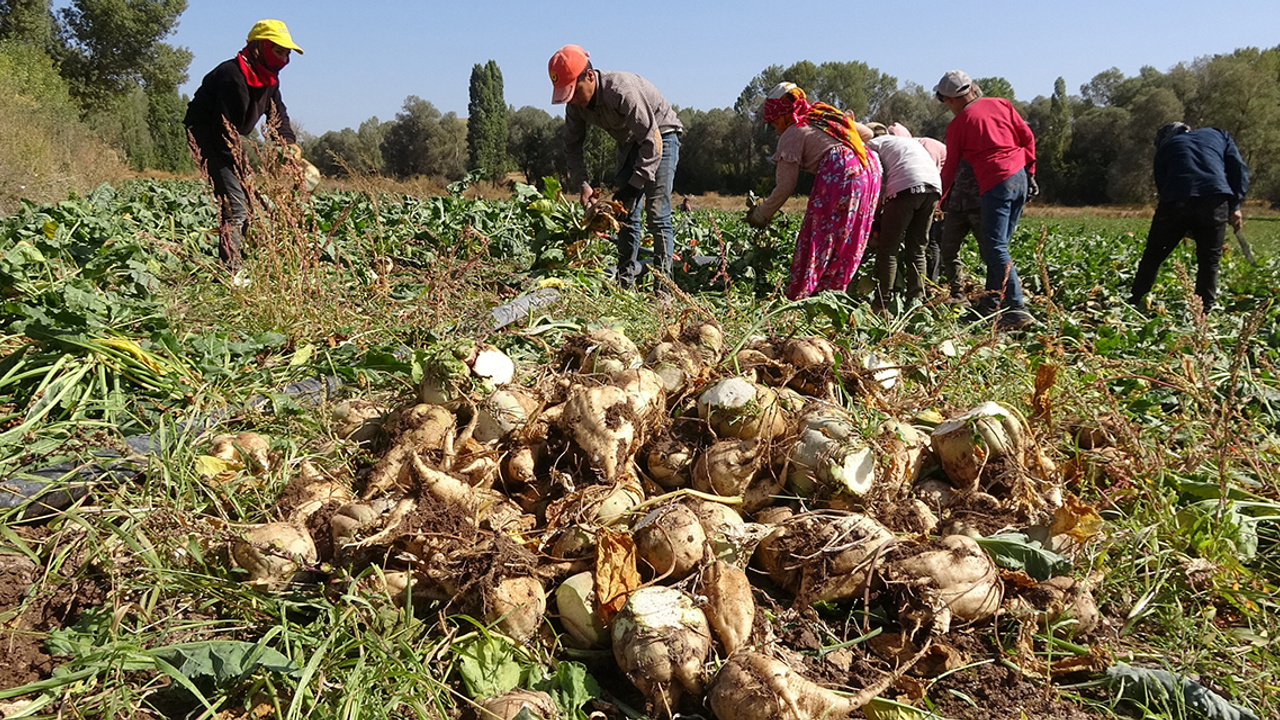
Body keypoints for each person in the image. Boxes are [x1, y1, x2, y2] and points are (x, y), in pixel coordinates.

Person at [548, 44, 683, 290]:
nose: (573, 101)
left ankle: (664, 290)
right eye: (567, 95)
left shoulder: (621, 91)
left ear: (589, 76)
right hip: (630, 142)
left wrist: (635, 185)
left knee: (656, 211)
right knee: (622, 214)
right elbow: (572, 146)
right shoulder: (575, 106)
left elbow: (652, 141)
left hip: (660, 134)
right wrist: (583, 184)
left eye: (574, 92)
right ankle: (625, 284)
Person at [184, 19, 304, 275]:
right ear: (259, 47)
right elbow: (222, 129)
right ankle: (232, 273)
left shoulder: (269, 80)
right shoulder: (232, 76)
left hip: (230, 136)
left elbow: (277, 114)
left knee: (250, 203)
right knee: (236, 206)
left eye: (287, 53)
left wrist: (288, 144)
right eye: (279, 51)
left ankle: (247, 255)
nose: (284, 60)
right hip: (207, 135)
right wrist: (240, 171)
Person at [746, 83, 881, 300]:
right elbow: (867, 133)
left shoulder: (793, 131)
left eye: (773, 125)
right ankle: (832, 297)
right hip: (868, 170)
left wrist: (761, 214)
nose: (775, 130)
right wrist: (843, 124)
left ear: (781, 117)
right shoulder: (823, 116)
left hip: (842, 173)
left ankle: (801, 297)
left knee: (819, 235)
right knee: (848, 237)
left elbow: (785, 186)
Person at [935, 70, 1037, 329]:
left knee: (995, 248)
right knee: (998, 247)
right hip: (1020, 176)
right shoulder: (1000, 103)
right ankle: (992, 307)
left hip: (995, 181)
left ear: (950, 98)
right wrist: (1031, 172)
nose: (947, 105)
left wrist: (939, 199)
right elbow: (1027, 137)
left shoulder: (958, 124)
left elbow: (950, 168)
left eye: (944, 100)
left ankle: (1016, 308)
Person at [1129, 122, 1249, 312]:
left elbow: (1164, 188)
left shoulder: (1165, 149)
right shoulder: (1219, 135)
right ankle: (1202, 315)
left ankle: (1134, 302)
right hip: (1214, 200)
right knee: (1209, 261)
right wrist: (1235, 206)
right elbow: (1238, 169)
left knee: (1153, 256)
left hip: (1175, 201)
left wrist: (1180, 223)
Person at [862, 123, 942, 308]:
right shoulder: (906, 143)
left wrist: (875, 214)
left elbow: (878, 180)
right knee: (918, 249)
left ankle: (883, 302)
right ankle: (916, 300)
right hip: (933, 188)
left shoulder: (872, 146)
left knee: (888, 249)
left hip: (905, 188)